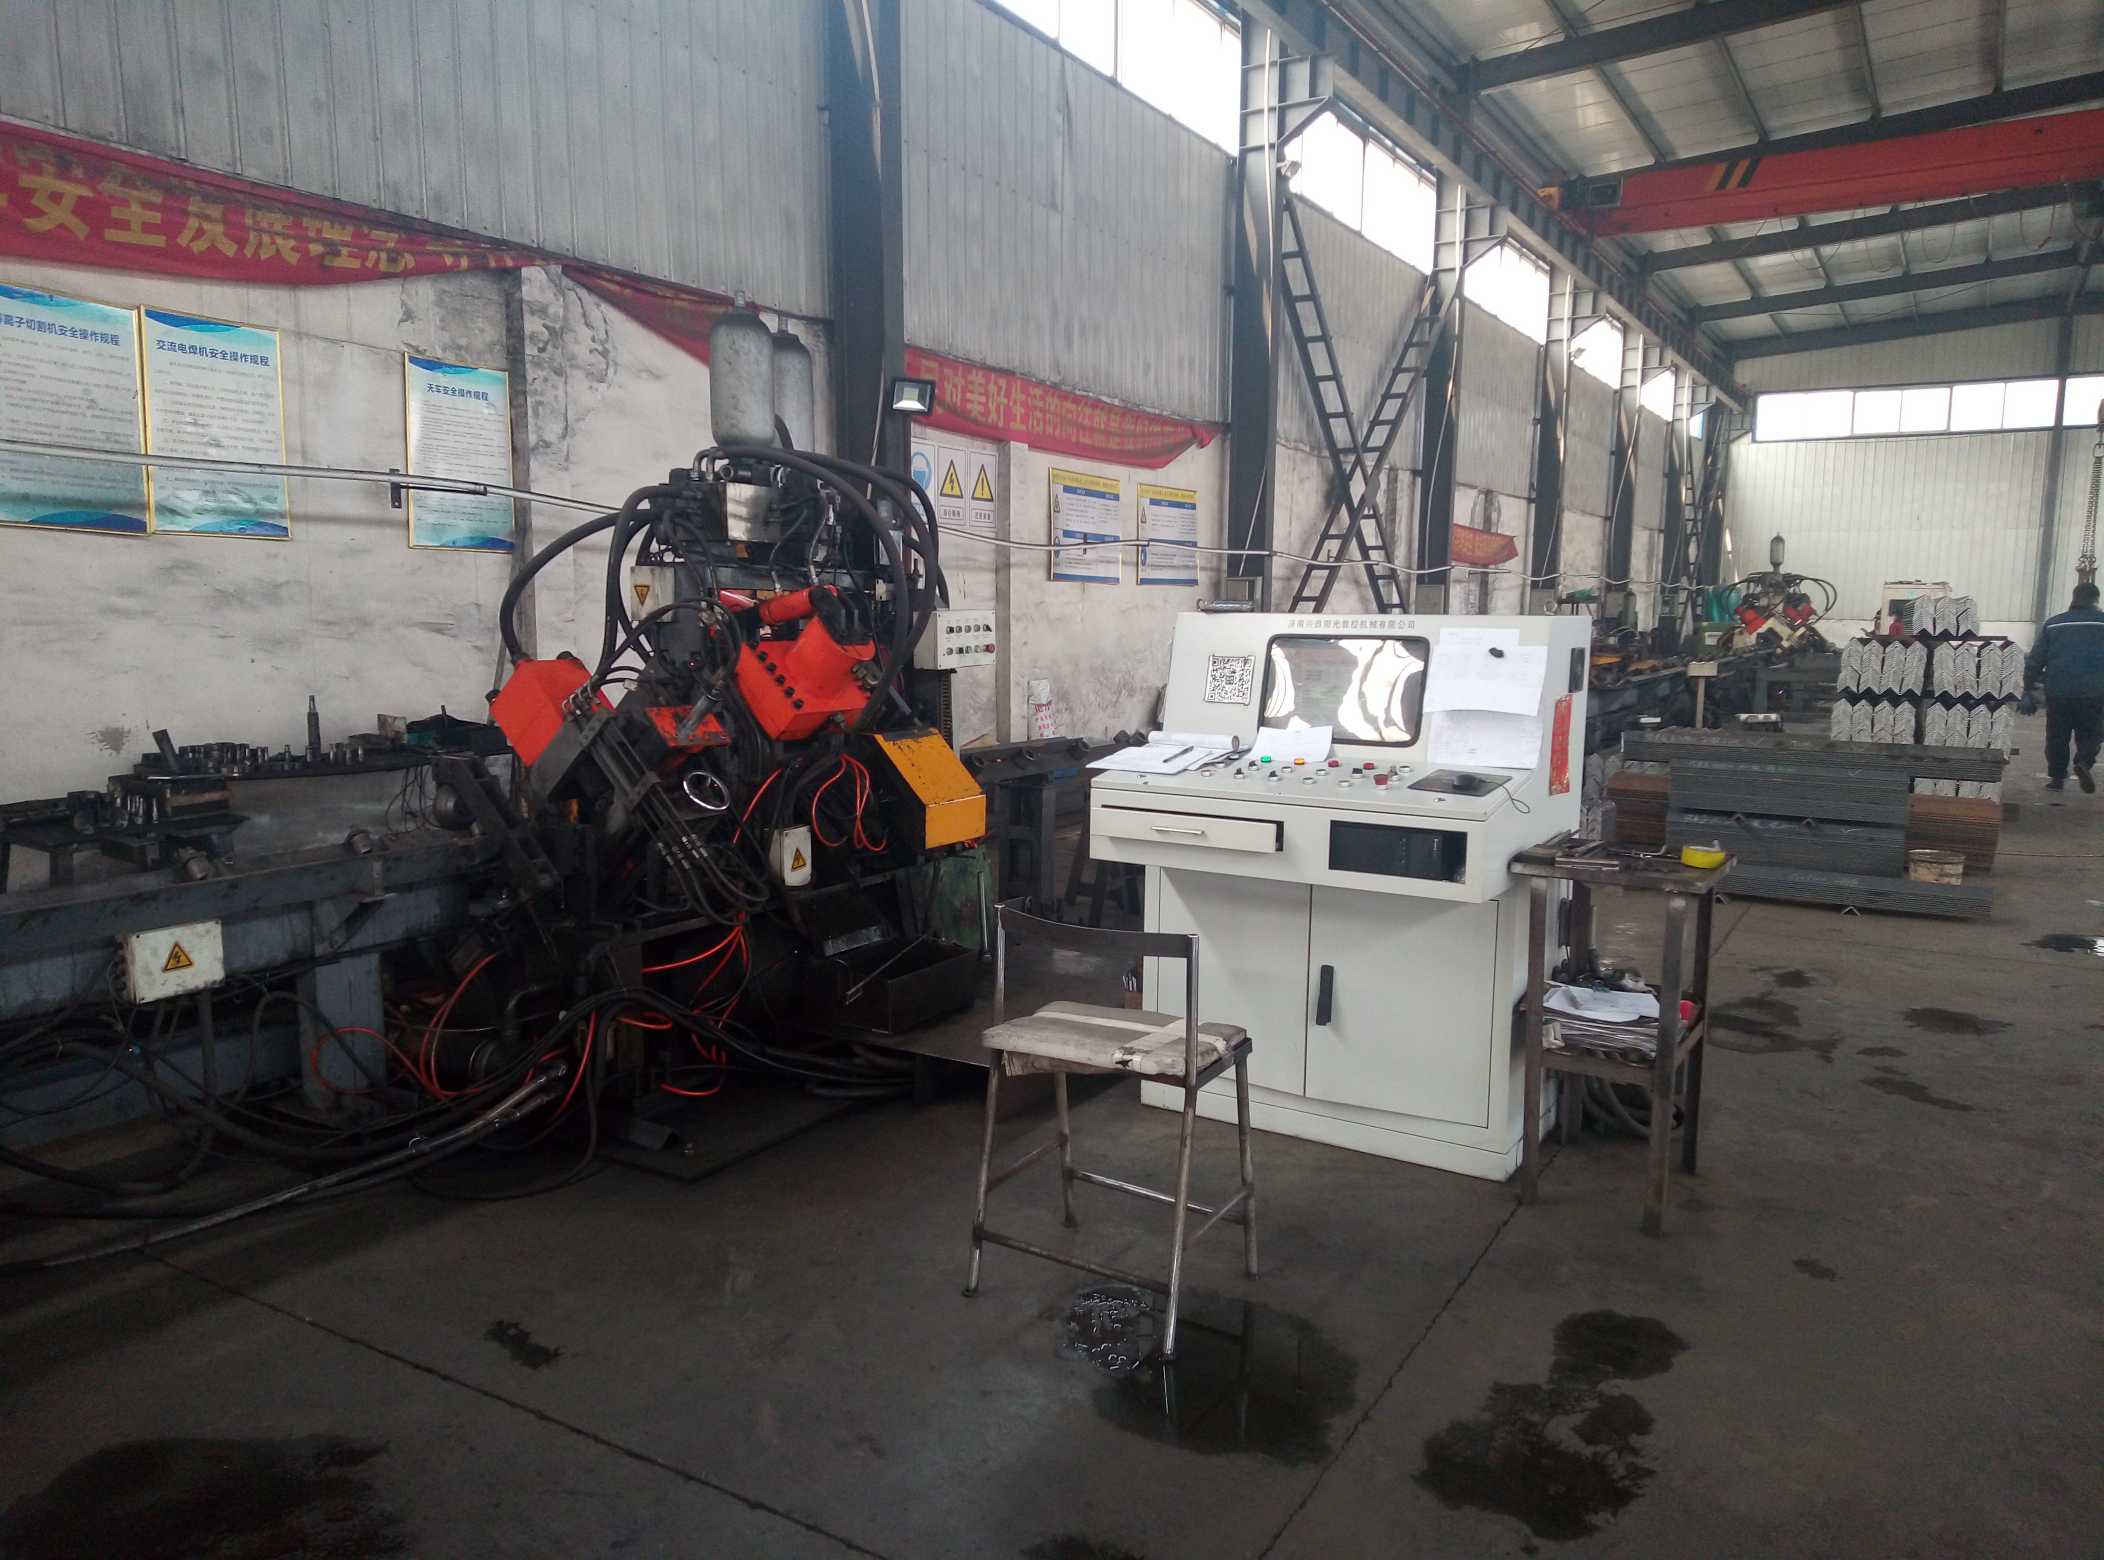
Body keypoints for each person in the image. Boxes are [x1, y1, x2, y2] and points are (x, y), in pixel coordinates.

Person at [2022, 581, 2104, 792]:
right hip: (2094, 692)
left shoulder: (2054, 624)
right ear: (2096, 600)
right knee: (2090, 733)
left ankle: (2057, 778)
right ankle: (2083, 762)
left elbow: (2036, 659)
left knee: (2057, 735)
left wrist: (2027, 687)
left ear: (2074, 598)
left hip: (2059, 691)